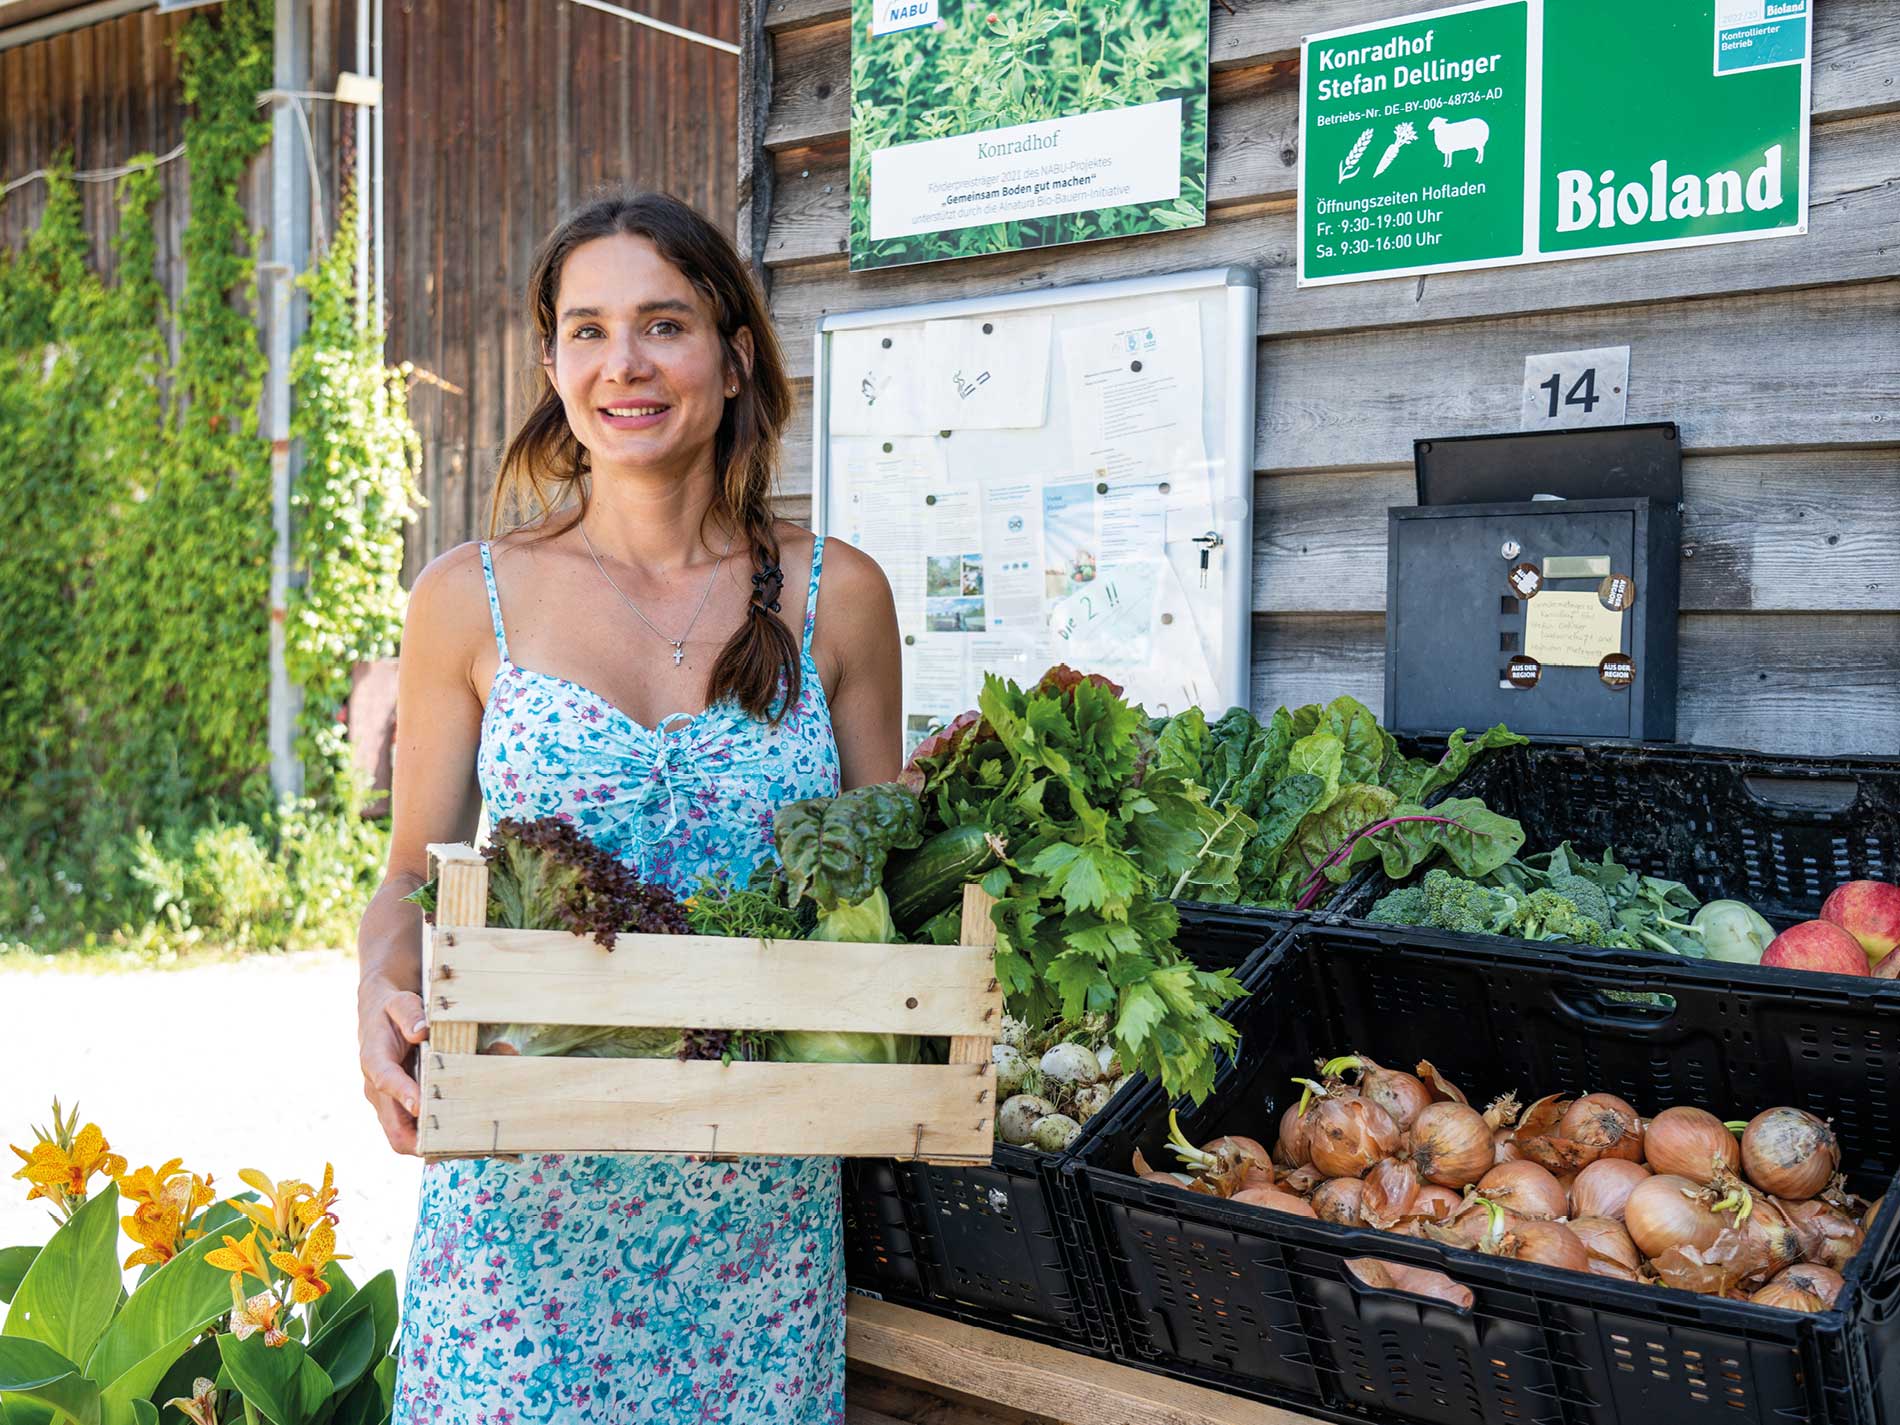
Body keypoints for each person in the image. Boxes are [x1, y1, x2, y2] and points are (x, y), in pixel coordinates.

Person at [354, 189, 901, 1423]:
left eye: (663, 323)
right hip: (518, 1199)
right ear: (552, 363)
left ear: (733, 354)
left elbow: (896, 882)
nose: (625, 364)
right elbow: (409, 874)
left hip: (752, 1211)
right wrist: (375, 997)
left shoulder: (838, 597)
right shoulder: (468, 596)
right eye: (587, 331)